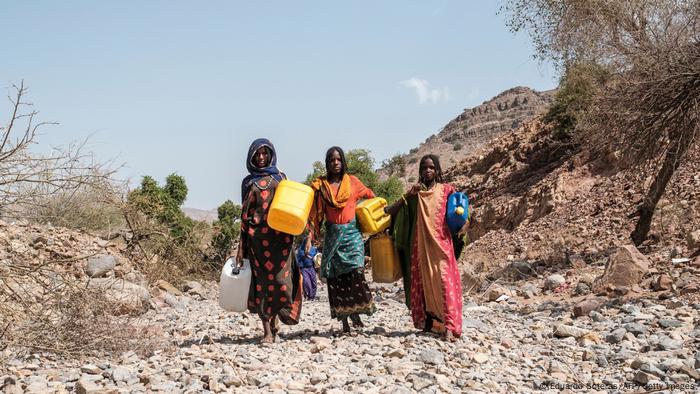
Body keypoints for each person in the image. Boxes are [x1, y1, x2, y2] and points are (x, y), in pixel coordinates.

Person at [384, 154, 463, 341]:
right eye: (424, 168)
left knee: (445, 284)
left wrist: (461, 228)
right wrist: (407, 195)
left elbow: (462, 214)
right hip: (420, 250)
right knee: (426, 286)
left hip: (441, 247)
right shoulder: (416, 195)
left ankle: (450, 327)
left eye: (431, 167)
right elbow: (389, 210)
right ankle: (433, 324)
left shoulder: (447, 191)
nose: (428, 171)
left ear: (437, 170)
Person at [237, 138, 302, 344]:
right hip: (257, 242)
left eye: (265, 153)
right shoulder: (248, 183)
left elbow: (292, 206)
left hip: (281, 240)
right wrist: (241, 246)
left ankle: (277, 317)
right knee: (262, 285)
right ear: (252, 157)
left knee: (282, 282)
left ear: (271, 154)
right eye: (258, 154)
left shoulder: (281, 178)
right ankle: (266, 329)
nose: (262, 157)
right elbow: (244, 215)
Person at [306, 146, 377, 334]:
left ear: (343, 161)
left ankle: (357, 311)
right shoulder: (321, 187)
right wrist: (310, 237)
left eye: (338, 160)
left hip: (352, 234)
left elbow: (371, 196)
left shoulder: (352, 182)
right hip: (333, 235)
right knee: (337, 278)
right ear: (327, 163)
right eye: (331, 160)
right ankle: (344, 320)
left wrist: (376, 217)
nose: (335, 163)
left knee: (355, 271)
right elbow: (313, 213)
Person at [296, 236, 318, 300]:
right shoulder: (301, 250)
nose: (308, 243)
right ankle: (308, 295)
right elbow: (299, 260)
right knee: (306, 282)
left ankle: (312, 296)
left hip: (311, 268)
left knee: (314, 283)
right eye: (307, 242)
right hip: (304, 269)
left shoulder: (313, 249)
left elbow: (317, 257)